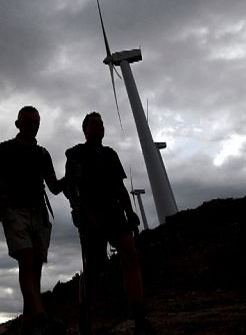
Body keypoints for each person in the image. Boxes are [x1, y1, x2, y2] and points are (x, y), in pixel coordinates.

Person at [63, 112, 153, 334]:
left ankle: (139, 314)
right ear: (85, 129)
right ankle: (85, 315)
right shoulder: (75, 154)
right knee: (94, 268)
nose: (100, 127)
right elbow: (71, 189)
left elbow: (120, 187)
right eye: (94, 124)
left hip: (114, 213)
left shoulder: (110, 154)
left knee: (130, 256)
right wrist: (83, 212)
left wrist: (130, 212)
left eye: (102, 124)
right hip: (89, 214)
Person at [0, 106, 64, 334]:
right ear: (17, 124)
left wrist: (70, 178)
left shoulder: (43, 154)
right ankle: (41, 318)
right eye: (28, 122)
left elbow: (54, 187)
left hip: (38, 212)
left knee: (35, 266)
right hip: (13, 210)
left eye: (35, 122)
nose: (32, 126)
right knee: (28, 260)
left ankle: (28, 324)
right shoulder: (4, 149)